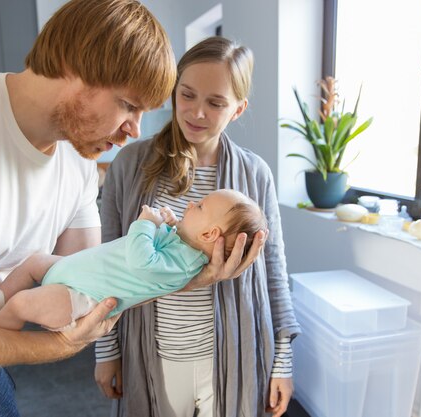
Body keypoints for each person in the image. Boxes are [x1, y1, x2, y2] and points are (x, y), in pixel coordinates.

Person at [0, 1, 265, 415]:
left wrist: (184, 277)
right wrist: (49, 348)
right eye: (128, 104)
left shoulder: (77, 161)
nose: (134, 130)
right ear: (75, 68)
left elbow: (94, 277)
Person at [94, 36, 300, 417]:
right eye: (187, 95)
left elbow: (274, 272)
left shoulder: (254, 175)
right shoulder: (130, 165)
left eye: (216, 103)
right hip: (153, 351)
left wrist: (282, 362)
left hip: (231, 354)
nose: (197, 113)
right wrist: (107, 351)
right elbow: (107, 262)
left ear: (238, 110)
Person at [0, 189, 267, 331]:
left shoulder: (184, 266)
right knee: (35, 261)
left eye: (199, 206)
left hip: (81, 298)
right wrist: (171, 223)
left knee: (23, 304)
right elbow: (165, 245)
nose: (191, 203)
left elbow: (142, 261)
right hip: (75, 273)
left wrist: (145, 223)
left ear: (209, 234)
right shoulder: (183, 244)